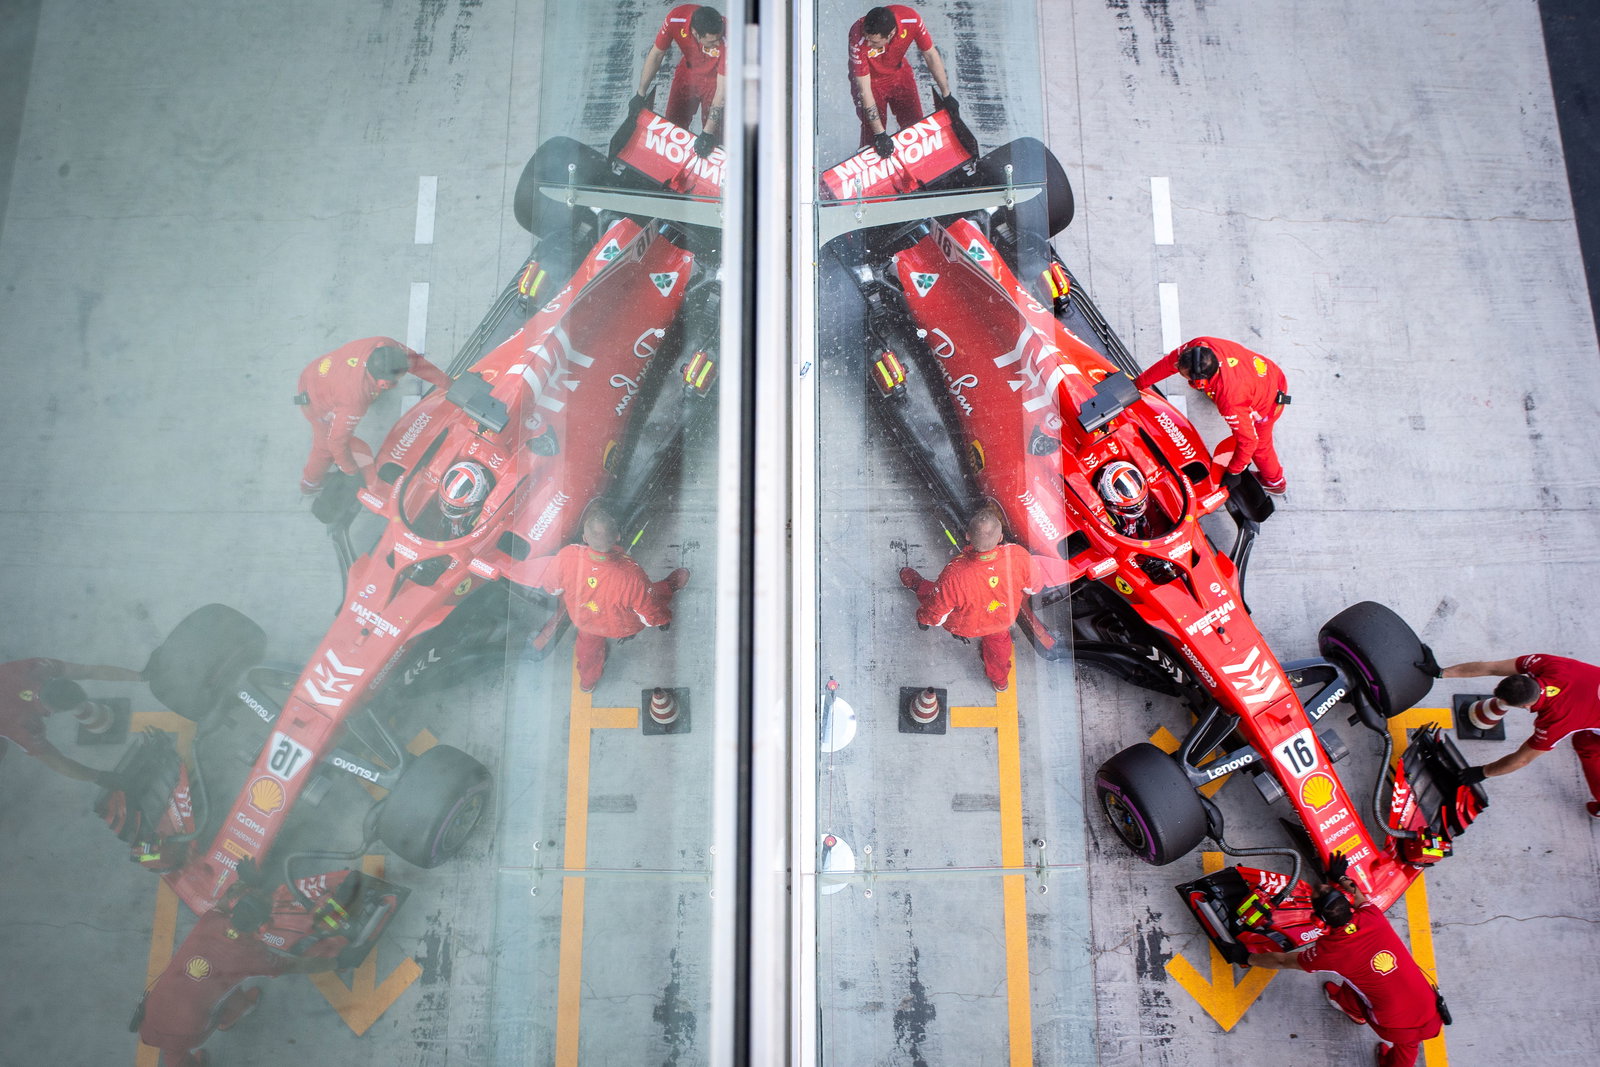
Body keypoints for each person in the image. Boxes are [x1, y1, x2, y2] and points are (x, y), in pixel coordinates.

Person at [1244, 869, 1445, 1067]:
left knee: (1368, 993)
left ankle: (1353, 1010)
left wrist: (1248, 957)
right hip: (1428, 1004)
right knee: (1407, 1042)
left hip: (1392, 1022)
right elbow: (1359, 896)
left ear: (1319, 920)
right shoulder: (1372, 915)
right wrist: (1341, 876)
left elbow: (1282, 961)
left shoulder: (1329, 953)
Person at [136, 883, 342, 1067]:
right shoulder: (255, 956)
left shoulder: (211, 920)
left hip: (152, 1013)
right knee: (222, 992)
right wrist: (335, 962)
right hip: (190, 1031)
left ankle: (225, 1019)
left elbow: (224, 903)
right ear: (263, 927)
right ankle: (231, 1016)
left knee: (176, 1047)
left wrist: (244, 880)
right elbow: (295, 965)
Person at [899, 507, 1072, 692]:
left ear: (967, 536)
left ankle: (917, 585)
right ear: (999, 538)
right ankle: (1000, 681)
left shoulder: (954, 573)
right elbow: (1034, 587)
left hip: (966, 625)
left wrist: (923, 619)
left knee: (936, 594)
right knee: (999, 651)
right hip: (1001, 620)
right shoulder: (1018, 555)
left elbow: (937, 612)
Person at [521, 507, 689, 693]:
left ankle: (587, 683)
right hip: (621, 626)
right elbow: (649, 616)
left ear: (584, 538)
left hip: (586, 622)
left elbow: (552, 589)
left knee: (587, 654)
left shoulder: (567, 556)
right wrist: (664, 619)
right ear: (617, 536)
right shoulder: (632, 575)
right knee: (650, 594)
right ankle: (670, 585)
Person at [1436, 653, 1600, 818]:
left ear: (1526, 706)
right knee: (1583, 741)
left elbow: (1523, 759)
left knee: (1588, 745)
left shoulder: (1556, 721)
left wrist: (1483, 772)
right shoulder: (1548, 664)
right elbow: (1492, 667)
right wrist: (1441, 672)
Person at [296, 337, 450, 496]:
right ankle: (310, 483)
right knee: (324, 447)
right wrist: (351, 471)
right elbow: (336, 441)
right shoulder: (354, 399)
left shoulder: (387, 347)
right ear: (383, 383)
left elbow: (417, 363)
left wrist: (449, 385)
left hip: (323, 370)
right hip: (315, 398)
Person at [1135, 337, 1290, 494]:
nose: (1176, 366)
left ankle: (1275, 481)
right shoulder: (1200, 347)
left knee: (1260, 447)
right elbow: (1169, 363)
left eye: (1184, 374)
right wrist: (1137, 385)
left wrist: (1233, 472)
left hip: (1269, 402)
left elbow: (1249, 441)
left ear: (1201, 381)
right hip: (1266, 372)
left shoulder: (1230, 400)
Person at [0, 657, 142, 785]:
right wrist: (99, 777)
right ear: (54, 710)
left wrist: (140, 676)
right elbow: (54, 760)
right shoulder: (25, 725)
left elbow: (86, 671)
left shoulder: (39, 667)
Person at [848, 5, 954, 156]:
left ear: (891, 34)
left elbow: (930, 55)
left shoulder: (911, 19)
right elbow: (865, 90)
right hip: (870, 81)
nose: (868, 44)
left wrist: (946, 94)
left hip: (899, 73)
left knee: (914, 125)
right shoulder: (857, 37)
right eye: (868, 39)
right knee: (873, 139)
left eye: (874, 42)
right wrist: (880, 134)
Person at [632, 5, 727, 154]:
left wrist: (707, 133)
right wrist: (640, 94)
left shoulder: (728, 39)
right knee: (673, 125)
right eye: (712, 42)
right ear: (695, 33)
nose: (717, 43)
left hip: (715, 80)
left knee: (714, 137)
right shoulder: (675, 19)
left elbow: (721, 92)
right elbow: (656, 55)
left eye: (718, 38)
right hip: (688, 72)